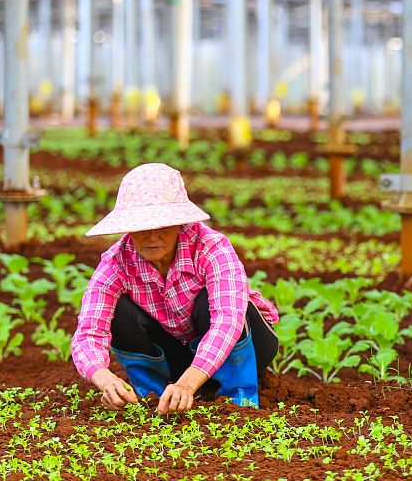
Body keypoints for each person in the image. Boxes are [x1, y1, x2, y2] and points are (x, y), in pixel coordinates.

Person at [70, 163, 279, 413]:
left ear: (180, 223)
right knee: (121, 313)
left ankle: (238, 400)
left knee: (210, 304)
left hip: (249, 345)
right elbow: (88, 333)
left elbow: (228, 320)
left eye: (163, 227)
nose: (152, 237)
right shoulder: (116, 262)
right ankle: (152, 397)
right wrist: (105, 380)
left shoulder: (211, 247)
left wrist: (188, 384)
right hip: (177, 354)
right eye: (141, 228)